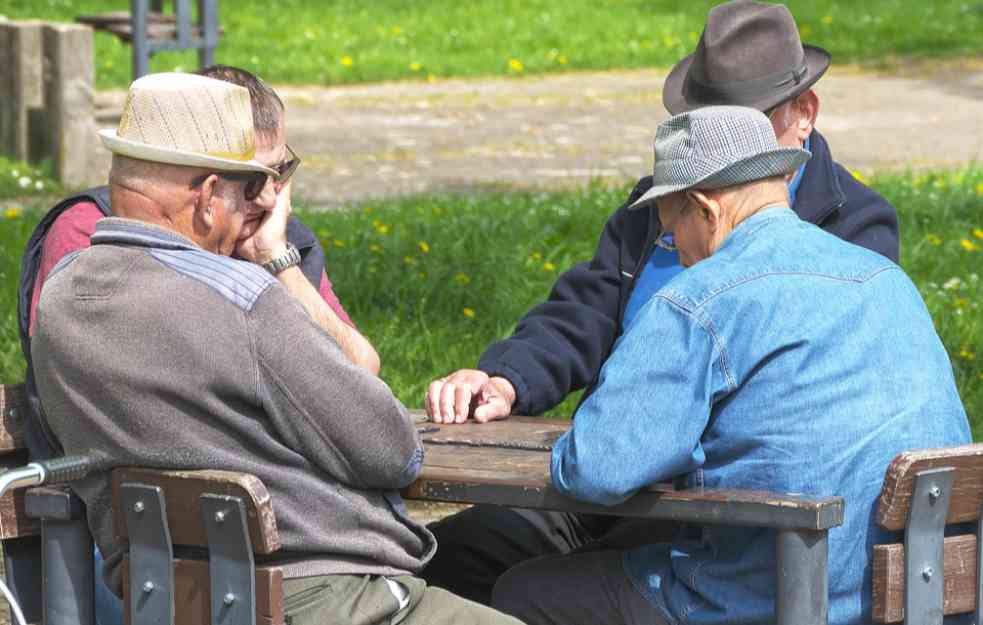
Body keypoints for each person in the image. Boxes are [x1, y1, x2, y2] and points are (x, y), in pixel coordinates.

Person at [422, 0, 901, 604]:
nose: (718, 141)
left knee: (535, 592)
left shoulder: (846, 232)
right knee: (443, 557)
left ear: (804, 112)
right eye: (704, 119)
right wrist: (506, 377)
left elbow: (815, 418)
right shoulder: (665, 205)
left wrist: (630, 444)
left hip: (729, 516)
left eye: (743, 121)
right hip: (626, 485)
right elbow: (587, 308)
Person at [30, 72, 521, 625]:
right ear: (210, 195)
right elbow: (391, 447)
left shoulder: (61, 297)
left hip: (163, 596)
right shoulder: (241, 299)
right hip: (322, 594)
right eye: (249, 187)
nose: (261, 203)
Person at [488, 105, 970, 625]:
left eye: (671, 235)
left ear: (705, 209)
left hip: (769, 600)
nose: (678, 253)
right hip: (920, 598)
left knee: (524, 590)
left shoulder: (700, 302)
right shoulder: (885, 280)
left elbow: (595, 470)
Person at [8, 64, 381, 625]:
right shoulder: (92, 238)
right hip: (127, 539)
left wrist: (277, 265)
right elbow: (153, 411)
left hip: (282, 529)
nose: (270, 196)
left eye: (281, 172)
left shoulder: (275, 243)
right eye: (251, 180)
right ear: (207, 184)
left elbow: (361, 379)